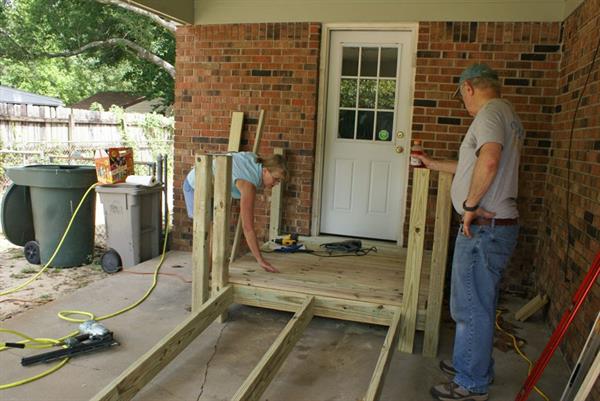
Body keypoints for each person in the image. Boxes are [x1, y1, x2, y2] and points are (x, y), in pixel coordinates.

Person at [413, 64, 524, 401]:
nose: (464, 101)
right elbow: (476, 165)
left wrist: (470, 205)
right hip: (494, 228)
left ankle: (472, 383)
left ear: (469, 88)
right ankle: (472, 365)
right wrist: (432, 163)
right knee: (477, 303)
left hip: (483, 230)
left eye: (462, 95)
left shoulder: (489, 113)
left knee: (470, 307)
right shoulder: (506, 114)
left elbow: (489, 161)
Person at [183, 151, 287, 273]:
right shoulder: (249, 184)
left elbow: (234, 155)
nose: (275, 184)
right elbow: (248, 228)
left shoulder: (256, 160)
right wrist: (260, 260)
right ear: (265, 170)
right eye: (275, 179)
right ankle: (202, 279)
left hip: (211, 188)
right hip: (195, 185)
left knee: (215, 234)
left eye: (279, 181)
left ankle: (209, 275)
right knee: (206, 234)